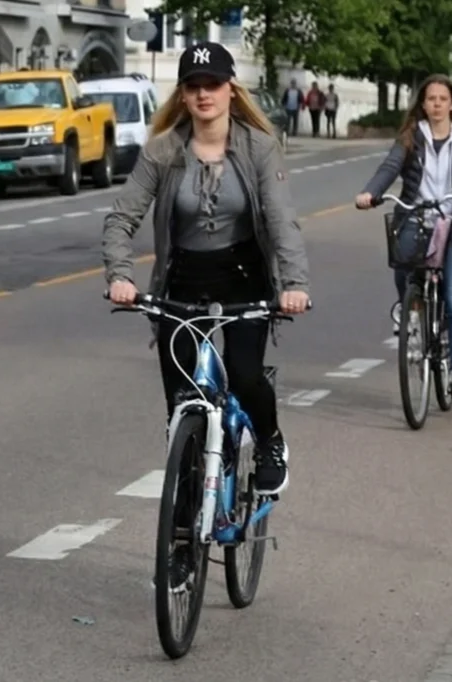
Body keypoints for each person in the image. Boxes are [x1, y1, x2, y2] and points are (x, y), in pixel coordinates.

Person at [102, 41, 311, 497]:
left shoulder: (259, 147)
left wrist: (294, 284)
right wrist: (120, 275)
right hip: (183, 279)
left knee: (243, 373)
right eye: (193, 86)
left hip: (243, 275)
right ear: (182, 94)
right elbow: (122, 218)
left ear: (231, 89)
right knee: (182, 407)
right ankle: (182, 535)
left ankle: (270, 442)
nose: (203, 95)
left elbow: (280, 222)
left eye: (212, 84)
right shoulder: (162, 151)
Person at [354, 74, 452, 399]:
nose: (437, 104)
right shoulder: (410, 138)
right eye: (431, 99)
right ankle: (408, 306)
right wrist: (370, 193)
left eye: (443, 99)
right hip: (415, 217)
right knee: (402, 264)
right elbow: (389, 167)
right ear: (423, 104)